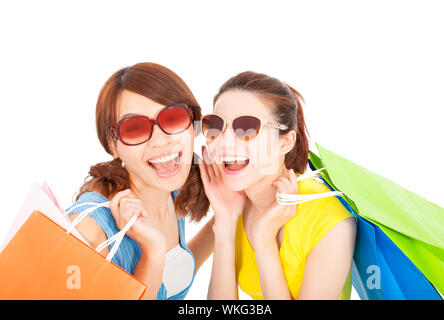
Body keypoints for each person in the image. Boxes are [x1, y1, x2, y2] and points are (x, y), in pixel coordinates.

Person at [199, 71, 357, 300]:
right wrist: (224, 222)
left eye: (246, 128)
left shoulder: (329, 219)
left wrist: (264, 243)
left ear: (285, 141)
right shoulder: (234, 205)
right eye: (215, 126)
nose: (224, 142)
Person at [66, 62, 214, 300]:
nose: (161, 140)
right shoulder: (90, 228)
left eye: (174, 118)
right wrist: (152, 253)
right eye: (134, 128)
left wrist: (226, 219)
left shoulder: (170, 193)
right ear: (113, 145)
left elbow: (173, 275)